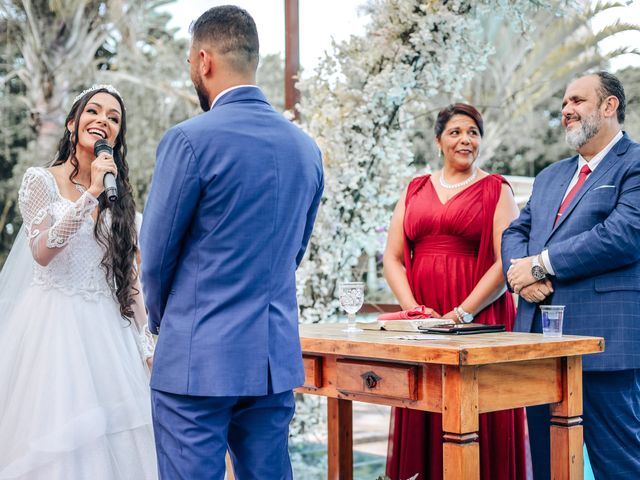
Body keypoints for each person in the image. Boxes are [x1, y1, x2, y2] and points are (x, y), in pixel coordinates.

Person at [139, 6, 324, 479]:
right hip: (270, 359)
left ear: (203, 60)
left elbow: (156, 258)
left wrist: (167, 325)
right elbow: (294, 251)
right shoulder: (305, 149)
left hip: (197, 359)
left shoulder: (188, 140)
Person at [0, 85, 157, 479]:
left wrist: (145, 343)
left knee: (117, 441)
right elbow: (41, 249)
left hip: (108, 335)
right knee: (58, 444)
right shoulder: (41, 181)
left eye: (114, 117)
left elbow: (129, 278)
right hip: (51, 333)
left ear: (116, 136)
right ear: (73, 123)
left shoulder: (118, 196)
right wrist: (88, 194)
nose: (103, 120)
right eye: (94, 111)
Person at [502, 71, 640, 479]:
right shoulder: (550, 176)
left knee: (620, 464)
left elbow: (622, 235)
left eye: (577, 101)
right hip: (537, 343)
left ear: (609, 106)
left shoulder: (633, 164)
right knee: (547, 465)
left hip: (604, 343)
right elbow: (516, 231)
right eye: (564, 103)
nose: (566, 110)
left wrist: (541, 264)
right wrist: (521, 275)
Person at [384, 103, 528, 480]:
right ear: (438, 141)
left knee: (477, 416)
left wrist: (461, 313)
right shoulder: (414, 189)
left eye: (473, 132)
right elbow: (393, 258)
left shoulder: (497, 190)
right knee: (424, 402)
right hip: (425, 321)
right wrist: (414, 311)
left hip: (478, 317)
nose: (465, 139)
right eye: (455, 132)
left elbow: (505, 263)